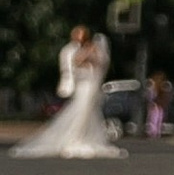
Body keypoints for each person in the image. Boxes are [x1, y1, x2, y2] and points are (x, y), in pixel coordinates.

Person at [14, 24, 124, 163]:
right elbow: (74, 63)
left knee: (87, 112)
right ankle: (73, 137)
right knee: (79, 111)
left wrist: (90, 56)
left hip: (90, 85)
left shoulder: (92, 48)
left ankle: (81, 136)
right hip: (83, 85)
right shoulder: (71, 49)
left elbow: (98, 64)